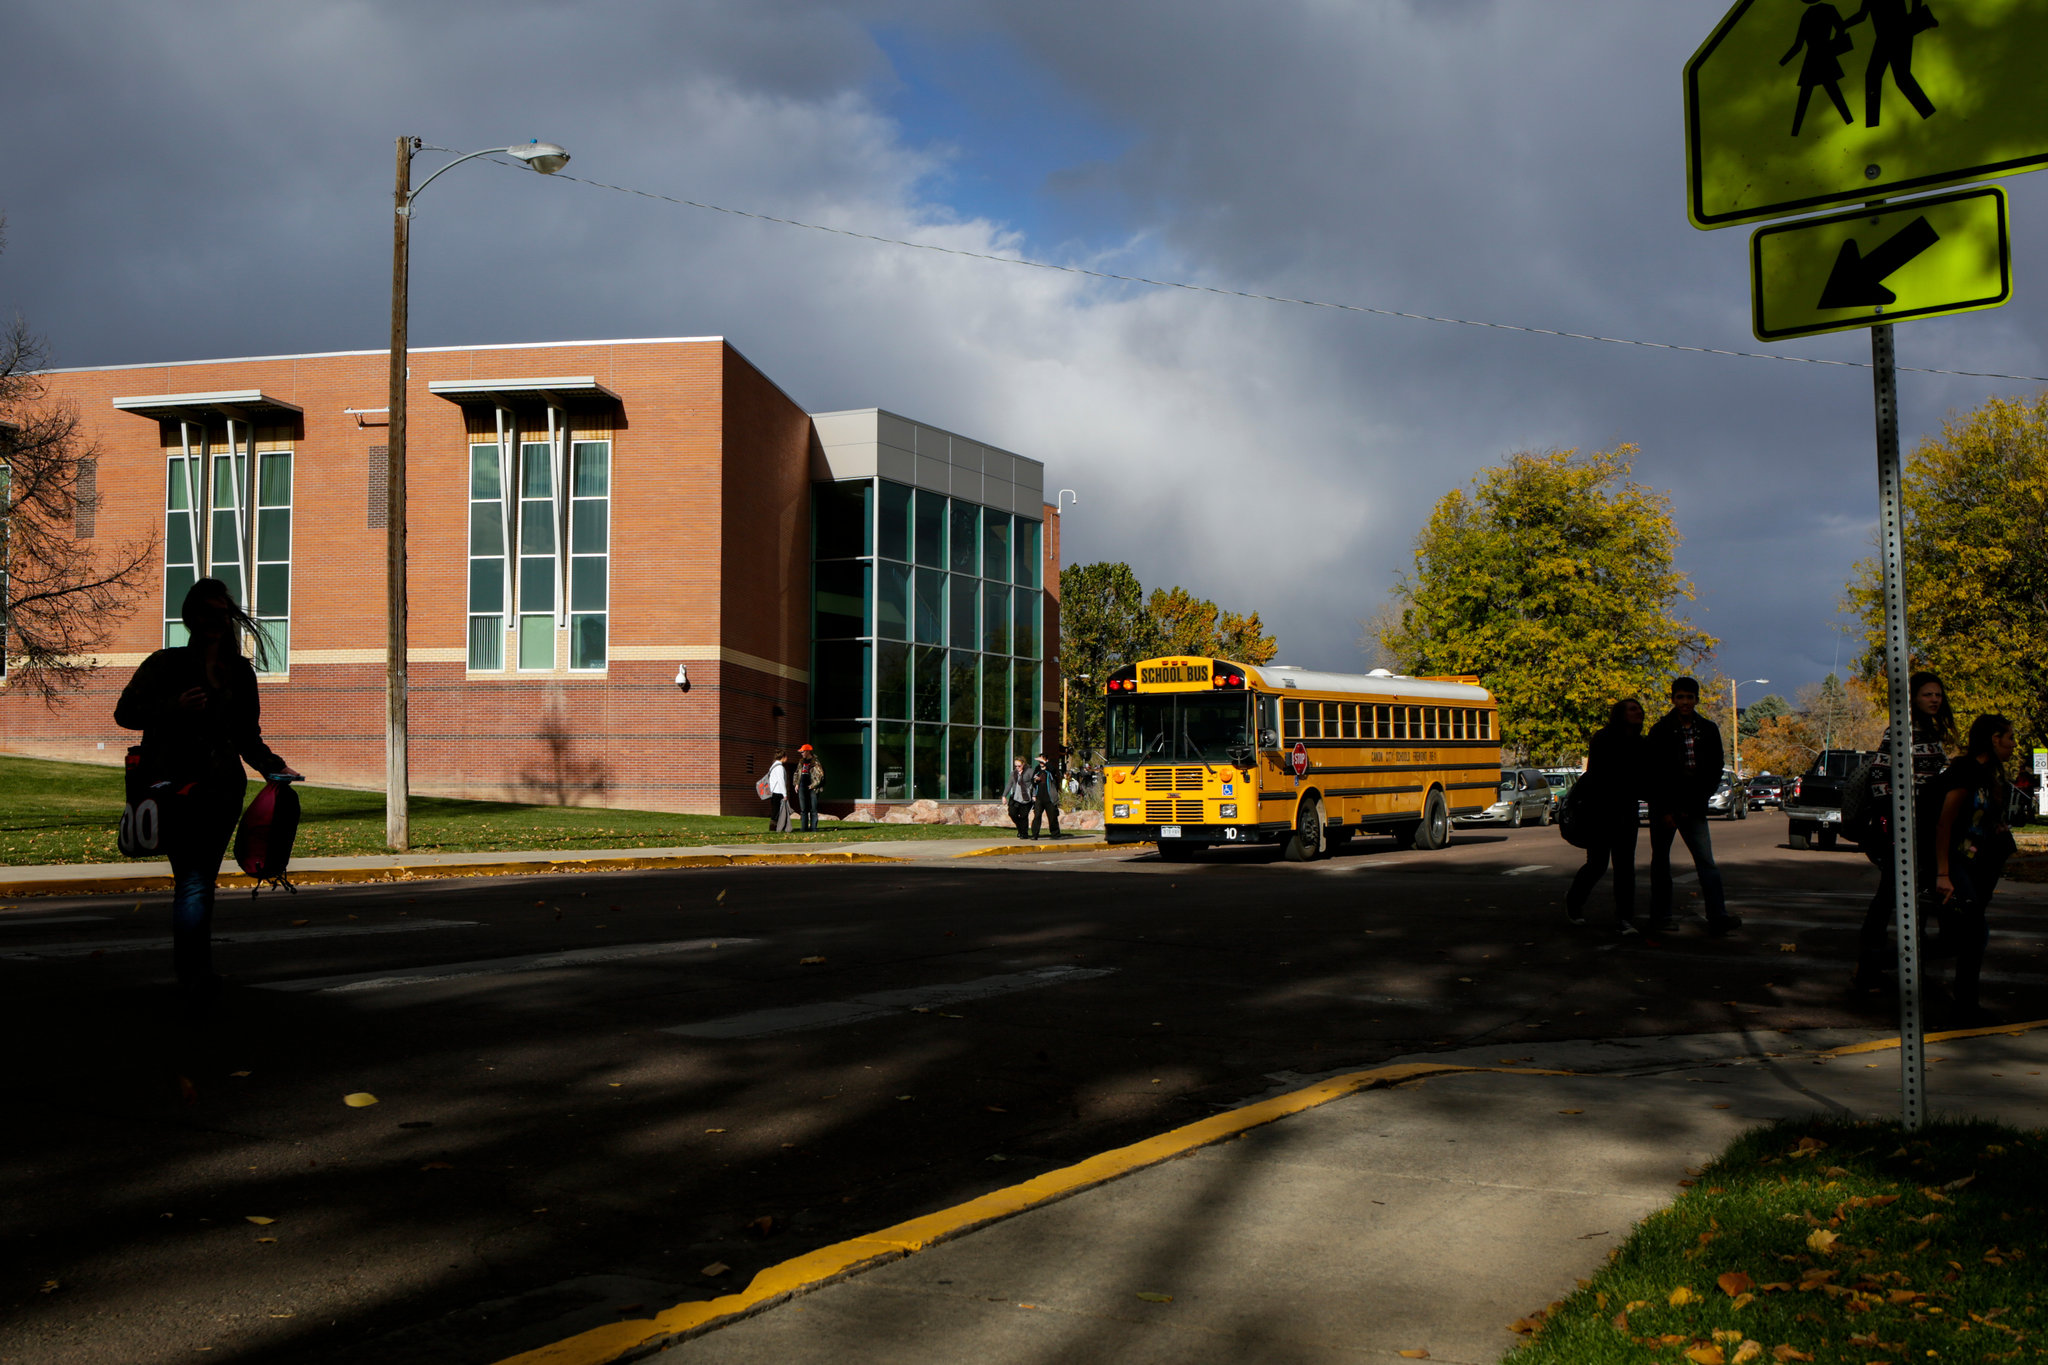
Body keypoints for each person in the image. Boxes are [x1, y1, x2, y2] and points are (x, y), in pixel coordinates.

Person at [114, 579, 299, 1007]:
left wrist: (274, 767)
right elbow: (125, 713)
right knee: (195, 881)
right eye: (205, 613)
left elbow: (246, 735)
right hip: (175, 788)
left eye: (221, 613)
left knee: (201, 881)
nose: (213, 622)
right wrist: (172, 708)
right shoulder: (166, 664)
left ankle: (196, 970)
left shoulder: (240, 673)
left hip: (222, 790)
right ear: (190, 618)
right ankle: (195, 974)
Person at [1852, 670, 1954, 994]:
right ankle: (1869, 968)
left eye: (1937, 694)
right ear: (1914, 698)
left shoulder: (1932, 733)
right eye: (1928, 694)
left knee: (1915, 898)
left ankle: (1907, 969)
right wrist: (1896, 816)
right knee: (1890, 897)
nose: (1934, 699)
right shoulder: (1901, 731)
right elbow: (1880, 776)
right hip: (1904, 828)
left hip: (1926, 826)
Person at [1927, 714, 2018, 1026]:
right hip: (1953, 864)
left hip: (1976, 866)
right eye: (2009, 738)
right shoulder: (1966, 771)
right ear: (1994, 739)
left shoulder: (1992, 776)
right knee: (1972, 934)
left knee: (1959, 939)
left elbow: (1981, 823)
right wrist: (1942, 873)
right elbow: (1945, 823)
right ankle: (1965, 1007)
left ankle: (1878, 961)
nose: (2012, 745)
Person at [1644, 677, 1740, 935]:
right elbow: (1655, 774)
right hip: (1664, 807)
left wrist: (1695, 802)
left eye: (1690, 697)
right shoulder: (1661, 730)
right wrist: (1665, 809)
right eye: (1680, 697)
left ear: (1697, 699)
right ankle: (1662, 916)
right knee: (1661, 863)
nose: (1685, 702)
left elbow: (1714, 768)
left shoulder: (1708, 729)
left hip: (1694, 806)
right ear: (1673, 699)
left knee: (1706, 862)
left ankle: (1717, 915)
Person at [1565, 699, 1647, 934]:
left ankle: (1625, 918)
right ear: (1620, 714)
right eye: (1633, 709)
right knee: (1597, 864)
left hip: (1627, 812)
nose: (1638, 712)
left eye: (1640, 709)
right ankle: (1574, 901)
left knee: (1624, 867)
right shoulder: (1604, 738)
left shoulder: (1641, 742)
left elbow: (1643, 778)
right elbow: (1599, 775)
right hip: (1600, 812)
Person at [1780, 0, 1857, 136]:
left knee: (1812, 94)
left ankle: (1795, 131)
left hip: (1815, 56)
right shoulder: (1825, 10)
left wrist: (1783, 62)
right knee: (1829, 91)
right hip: (1822, 55)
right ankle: (1795, 132)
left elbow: (1798, 45)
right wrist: (1833, 46)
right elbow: (1840, 27)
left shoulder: (1808, 14)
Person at [1029, 752, 1063, 839]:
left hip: (1050, 798)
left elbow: (1053, 770)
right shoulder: (1037, 769)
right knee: (1037, 816)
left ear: (1046, 760)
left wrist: (1045, 762)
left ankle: (1055, 834)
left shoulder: (1050, 770)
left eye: (1042, 760)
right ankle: (1034, 834)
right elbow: (1032, 781)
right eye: (1039, 761)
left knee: (1052, 817)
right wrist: (1035, 780)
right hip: (1039, 797)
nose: (1041, 763)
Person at [794, 744, 824, 832]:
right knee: (803, 809)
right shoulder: (801, 762)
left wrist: (813, 785)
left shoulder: (815, 762)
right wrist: (796, 784)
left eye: (802, 752)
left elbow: (820, 775)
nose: (801, 753)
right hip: (802, 787)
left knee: (813, 809)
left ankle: (813, 828)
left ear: (807, 751)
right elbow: (796, 773)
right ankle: (804, 828)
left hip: (812, 789)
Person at [1005, 757, 1034, 837]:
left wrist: (1034, 795)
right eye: (1016, 766)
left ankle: (1024, 833)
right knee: (1012, 813)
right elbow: (1009, 784)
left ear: (1023, 764)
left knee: (1024, 816)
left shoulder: (1029, 772)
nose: (1017, 768)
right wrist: (1004, 796)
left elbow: (1035, 784)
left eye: (1019, 766)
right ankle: (1020, 829)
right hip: (1015, 796)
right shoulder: (1014, 773)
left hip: (1026, 796)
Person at [765, 750, 791, 832]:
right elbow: (781, 781)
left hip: (773, 791)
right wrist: (785, 794)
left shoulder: (773, 766)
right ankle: (775, 827)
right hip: (778, 791)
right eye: (786, 757)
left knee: (775, 810)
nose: (787, 758)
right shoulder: (780, 767)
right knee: (778, 811)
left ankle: (775, 827)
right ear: (783, 757)